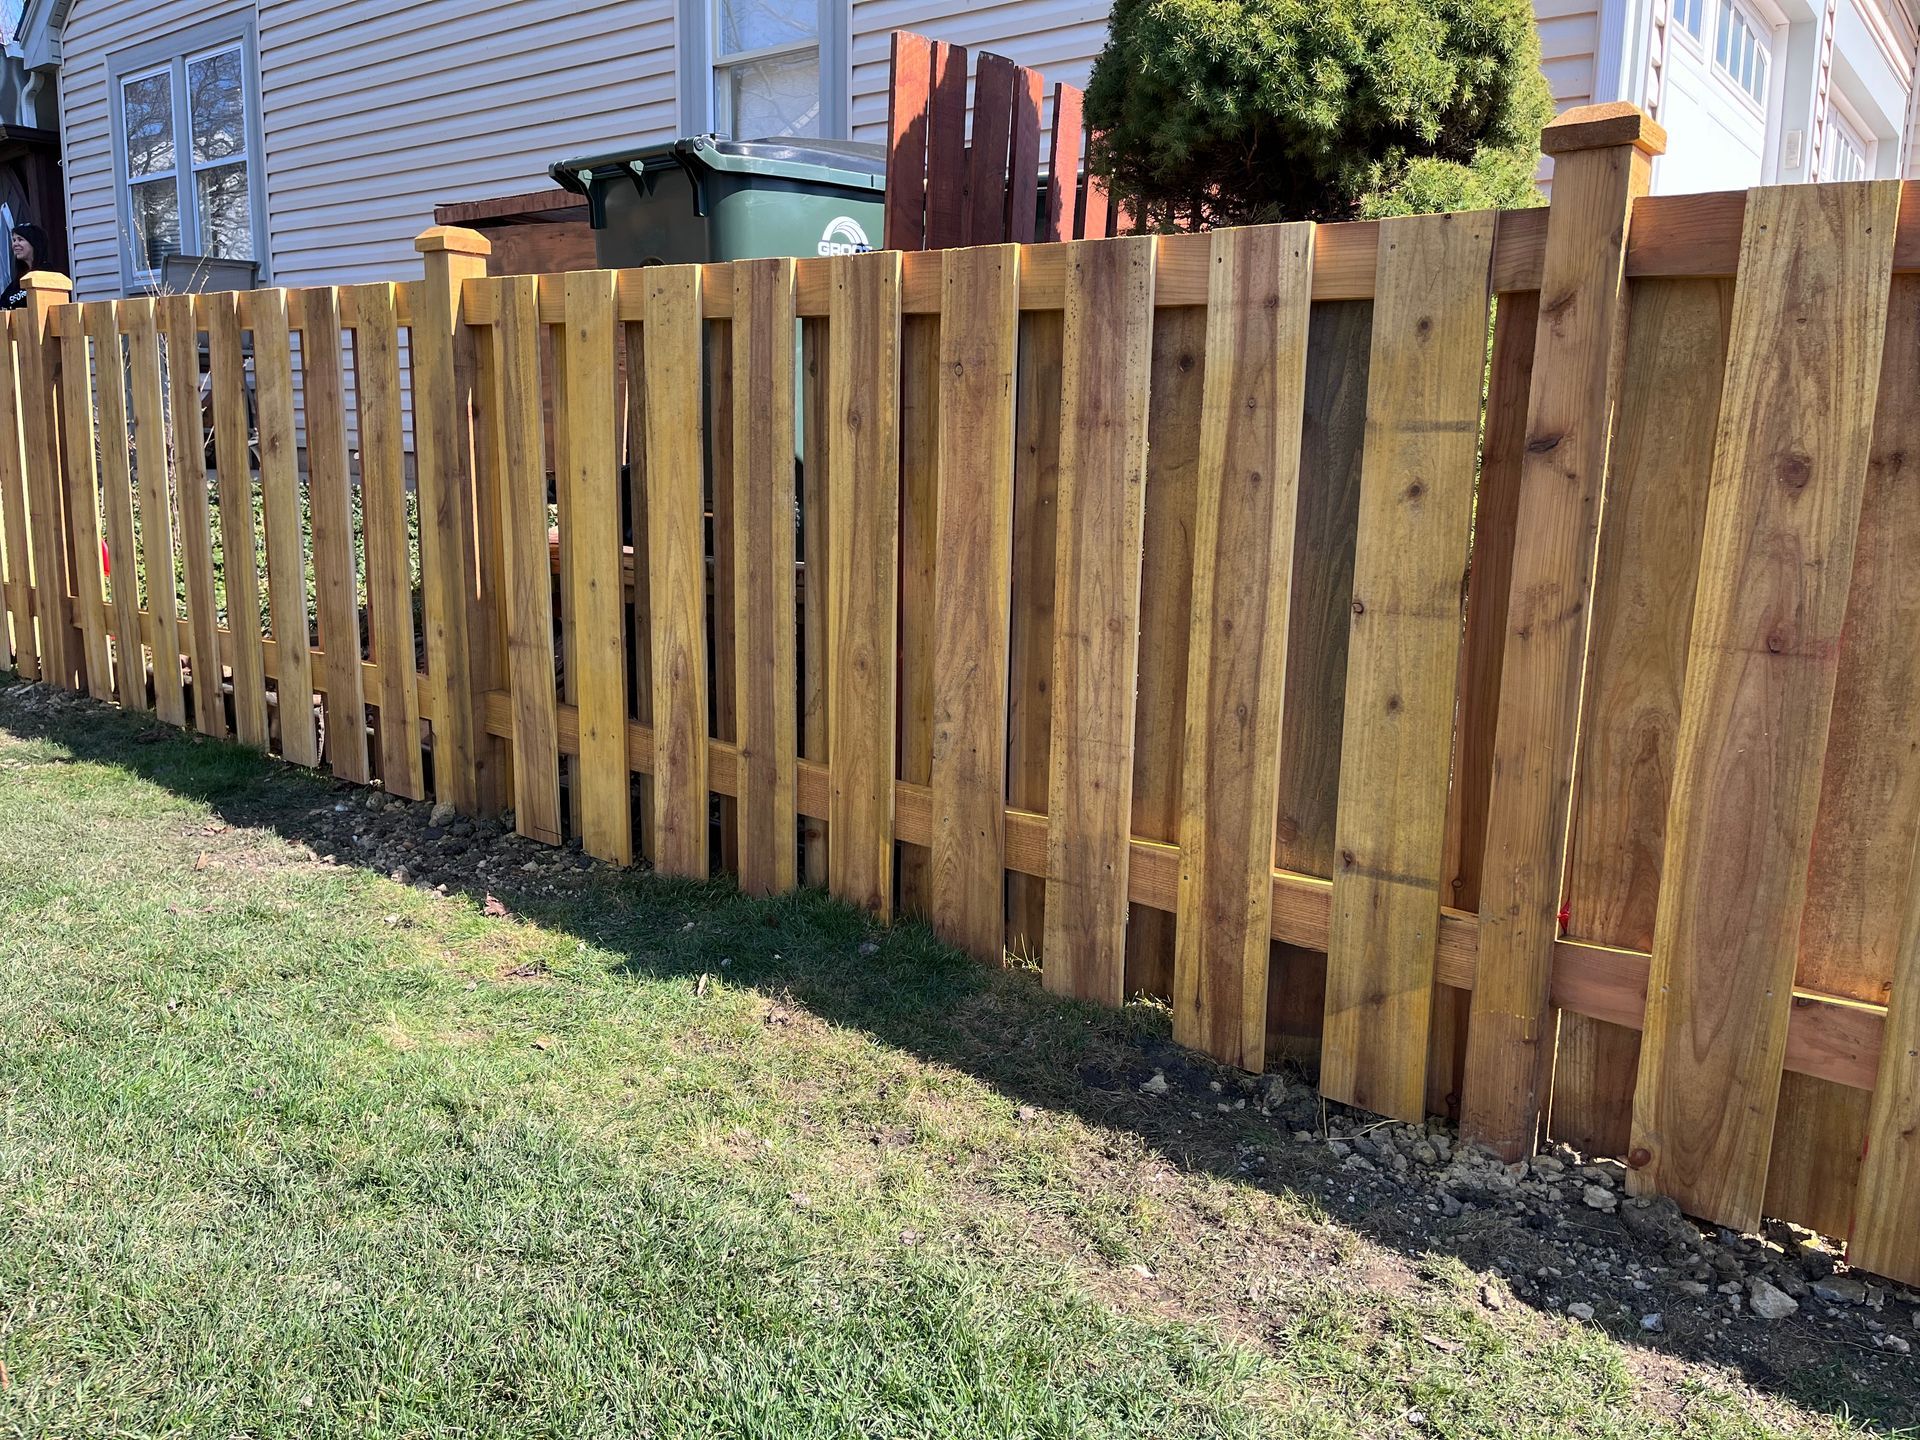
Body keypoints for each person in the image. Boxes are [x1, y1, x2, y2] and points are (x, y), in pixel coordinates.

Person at [3, 222, 49, 309]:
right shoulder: (17, 281)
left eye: (20, 239)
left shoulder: (48, 274)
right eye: (14, 240)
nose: (15, 244)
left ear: (34, 244)